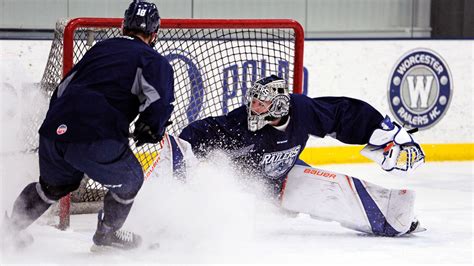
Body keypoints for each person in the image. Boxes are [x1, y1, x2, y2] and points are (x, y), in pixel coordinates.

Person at [3, 0, 174, 251]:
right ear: (154, 34)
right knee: (131, 180)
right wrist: (151, 128)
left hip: (54, 130)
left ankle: (9, 230)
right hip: (96, 135)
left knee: (52, 187)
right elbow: (160, 104)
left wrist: (60, 127)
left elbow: (62, 90)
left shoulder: (101, 49)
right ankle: (106, 235)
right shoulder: (153, 60)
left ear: (123, 26)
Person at [178, 74, 425, 236]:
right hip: (250, 185)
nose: (253, 108)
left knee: (333, 190)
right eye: (253, 102)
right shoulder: (240, 123)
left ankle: (392, 217)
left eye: (261, 104)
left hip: (284, 179)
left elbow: (341, 114)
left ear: (278, 105)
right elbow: (200, 132)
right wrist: (185, 158)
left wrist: (381, 131)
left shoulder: (303, 111)